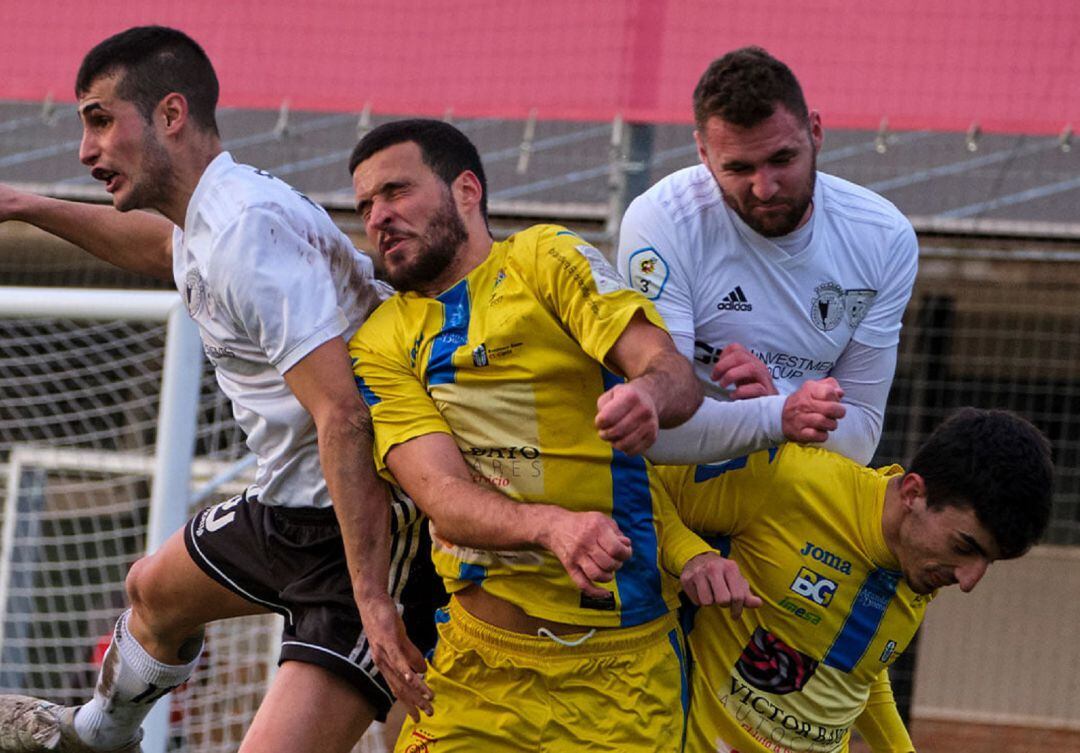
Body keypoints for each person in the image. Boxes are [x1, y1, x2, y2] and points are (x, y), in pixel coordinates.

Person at [0, 26, 439, 753]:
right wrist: (25, 205)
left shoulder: (244, 229)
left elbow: (344, 413)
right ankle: (93, 739)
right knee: (152, 590)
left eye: (101, 120)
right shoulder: (209, 217)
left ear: (170, 114)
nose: (86, 151)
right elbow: (161, 250)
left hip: (356, 528)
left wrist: (372, 596)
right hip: (288, 507)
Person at [347, 119, 762, 752]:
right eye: (365, 205)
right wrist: (551, 526)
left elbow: (669, 369)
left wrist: (648, 397)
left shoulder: (546, 258)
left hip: (623, 676)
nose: (379, 217)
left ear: (465, 190)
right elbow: (441, 495)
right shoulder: (381, 340)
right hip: (479, 670)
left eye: (397, 192)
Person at [659, 407, 1053, 752]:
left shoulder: (922, 566)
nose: (969, 580)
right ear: (914, 493)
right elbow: (642, 490)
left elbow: (855, 673)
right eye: (966, 546)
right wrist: (692, 555)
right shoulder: (790, 482)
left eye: (989, 562)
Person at [618, 46, 919, 467]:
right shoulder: (664, 220)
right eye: (739, 168)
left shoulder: (884, 237)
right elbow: (660, 433)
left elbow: (862, 439)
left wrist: (778, 398)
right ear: (704, 154)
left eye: (782, 159)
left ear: (815, 131)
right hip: (673, 485)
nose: (765, 188)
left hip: (795, 479)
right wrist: (780, 415)